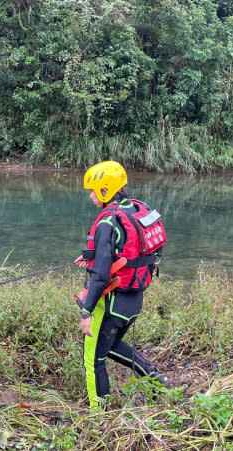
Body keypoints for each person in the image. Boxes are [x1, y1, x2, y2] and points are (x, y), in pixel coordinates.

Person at [73, 160, 166, 408]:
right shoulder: (137, 210)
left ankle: (98, 417)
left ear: (106, 190)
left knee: (93, 361)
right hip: (133, 301)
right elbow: (134, 252)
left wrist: (86, 310)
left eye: (93, 191)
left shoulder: (107, 222)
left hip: (111, 304)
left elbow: (101, 277)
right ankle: (155, 377)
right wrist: (92, 257)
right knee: (112, 345)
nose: (91, 196)